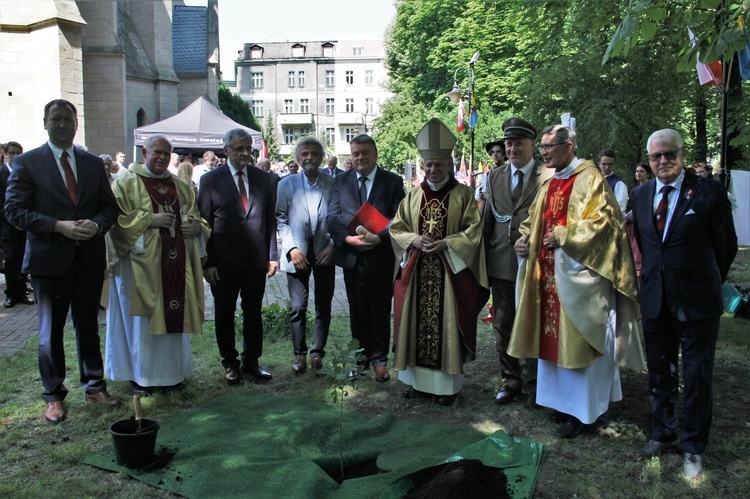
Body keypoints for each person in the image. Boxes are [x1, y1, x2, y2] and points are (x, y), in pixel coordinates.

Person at [509, 125, 645, 438]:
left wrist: (566, 235)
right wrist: (524, 239)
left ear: (568, 146)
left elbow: (605, 225)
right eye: (541, 147)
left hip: (581, 278)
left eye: (548, 147)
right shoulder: (550, 181)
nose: (543, 153)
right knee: (553, 340)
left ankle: (586, 413)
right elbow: (533, 220)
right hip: (548, 276)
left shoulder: (591, 179)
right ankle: (562, 404)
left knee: (580, 342)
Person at [5, 99, 122, 423]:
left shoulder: (91, 163)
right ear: (45, 122)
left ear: (76, 124)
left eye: (67, 120)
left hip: (87, 259)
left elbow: (109, 207)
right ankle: (54, 396)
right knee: (49, 332)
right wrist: (58, 226)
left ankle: (95, 386)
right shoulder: (27, 163)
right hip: (48, 261)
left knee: (88, 327)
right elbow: (14, 210)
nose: (62, 125)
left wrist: (97, 224)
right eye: (55, 119)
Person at [631, 129, 737, 479]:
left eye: (669, 154)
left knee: (696, 375)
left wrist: (703, 280)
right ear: (648, 159)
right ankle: (662, 432)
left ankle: (693, 446)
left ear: (682, 153)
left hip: (696, 302)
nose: (663, 161)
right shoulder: (641, 194)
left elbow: (726, 245)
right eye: (656, 156)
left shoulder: (708, 193)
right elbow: (648, 248)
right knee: (660, 373)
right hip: (655, 300)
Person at [390, 118, 489, 405]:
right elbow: (397, 228)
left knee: (446, 325)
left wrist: (447, 243)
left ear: (449, 164)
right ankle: (418, 384)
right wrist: (414, 240)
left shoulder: (462, 195)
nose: (433, 170)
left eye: (439, 164)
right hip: (418, 272)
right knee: (414, 324)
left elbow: (474, 230)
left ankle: (446, 388)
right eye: (428, 165)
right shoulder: (413, 196)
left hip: (449, 275)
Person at [105, 136, 210, 395]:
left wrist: (196, 227)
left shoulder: (179, 185)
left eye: (166, 153)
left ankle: (172, 374)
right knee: (140, 323)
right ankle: (139, 376)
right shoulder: (126, 183)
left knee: (173, 314)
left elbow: (196, 216)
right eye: (157, 152)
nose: (162, 157)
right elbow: (113, 221)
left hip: (175, 264)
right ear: (144, 152)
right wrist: (149, 220)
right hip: (138, 268)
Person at [198, 128, 278, 384]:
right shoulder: (210, 180)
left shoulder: (263, 178)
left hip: (255, 260)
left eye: (248, 149)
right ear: (226, 151)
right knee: (224, 313)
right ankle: (230, 363)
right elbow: (204, 223)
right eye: (240, 149)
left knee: (253, 311)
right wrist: (207, 263)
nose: (246, 153)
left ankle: (252, 362)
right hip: (223, 262)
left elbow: (269, 220)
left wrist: (272, 255)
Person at [483, 118, 550, 407]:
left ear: (532, 145)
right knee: (503, 324)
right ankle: (510, 382)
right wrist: (482, 259)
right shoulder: (495, 176)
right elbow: (488, 218)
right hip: (500, 262)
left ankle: (538, 386)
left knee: (534, 324)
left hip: (535, 263)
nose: (512, 149)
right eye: (508, 143)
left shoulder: (547, 175)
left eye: (519, 143)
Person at [327, 134, 405, 382]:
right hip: (352, 257)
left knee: (380, 308)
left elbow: (399, 217)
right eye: (356, 153)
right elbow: (333, 216)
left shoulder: (392, 181)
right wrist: (346, 240)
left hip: (380, 256)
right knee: (357, 309)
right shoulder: (340, 180)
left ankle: (380, 361)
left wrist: (379, 237)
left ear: (375, 154)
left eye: (365, 152)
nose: (360, 157)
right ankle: (360, 359)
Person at [276, 137, 336, 374]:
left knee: (324, 305)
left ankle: (316, 353)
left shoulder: (333, 183)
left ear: (321, 156)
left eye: (313, 153)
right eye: (304, 153)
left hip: (324, 253)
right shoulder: (285, 184)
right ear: (297, 158)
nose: (309, 157)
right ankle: (299, 353)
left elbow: (338, 218)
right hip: (297, 252)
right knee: (297, 306)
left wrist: (332, 246)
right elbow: (280, 219)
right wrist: (291, 250)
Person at [1, 141, 34, 308]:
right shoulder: (1, 174)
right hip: (7, 226)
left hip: (24, 225)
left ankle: (22, 292)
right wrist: (13, 220)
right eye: (11, 153)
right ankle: (11, 294)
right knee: (11, 259)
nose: (14, 156)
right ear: (5, 155)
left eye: (17, 153)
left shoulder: (24, 174)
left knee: (22, 259)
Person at [624, 163, 652, 276]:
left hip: (644, 223)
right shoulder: (636, 190)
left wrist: (629, 216)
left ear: (648, 174)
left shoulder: (650, 189)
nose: (638, 174)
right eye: (637, 171)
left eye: (642, 171)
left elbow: (644, 207)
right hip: (633, 224)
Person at [598, 149, 628, 213]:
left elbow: (620, 208)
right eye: (604, 164)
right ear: (599, 164)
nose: (607, 167)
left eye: (610, 164)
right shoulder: (594, 180)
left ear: (614, 165)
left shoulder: (619, 184)